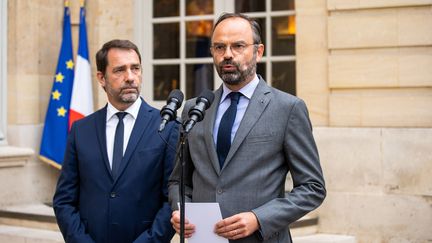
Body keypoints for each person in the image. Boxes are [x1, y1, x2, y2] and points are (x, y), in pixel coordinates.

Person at [168, 13, 326, 243]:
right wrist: (181, 210)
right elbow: (178, 181)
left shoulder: (288, 108)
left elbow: (313, 187)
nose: (228, 54)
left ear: (258, 51)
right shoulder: (194, 109)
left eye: (238, 46)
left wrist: (258, 218)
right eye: (220, 47)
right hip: (204, 239)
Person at [53, 39, 178, 243]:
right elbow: (64, 201)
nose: (130, 77)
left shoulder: (168, 126)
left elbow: (171, 200)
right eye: (120, 70)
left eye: (135, 68)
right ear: (101, 78)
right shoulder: (80, 130)